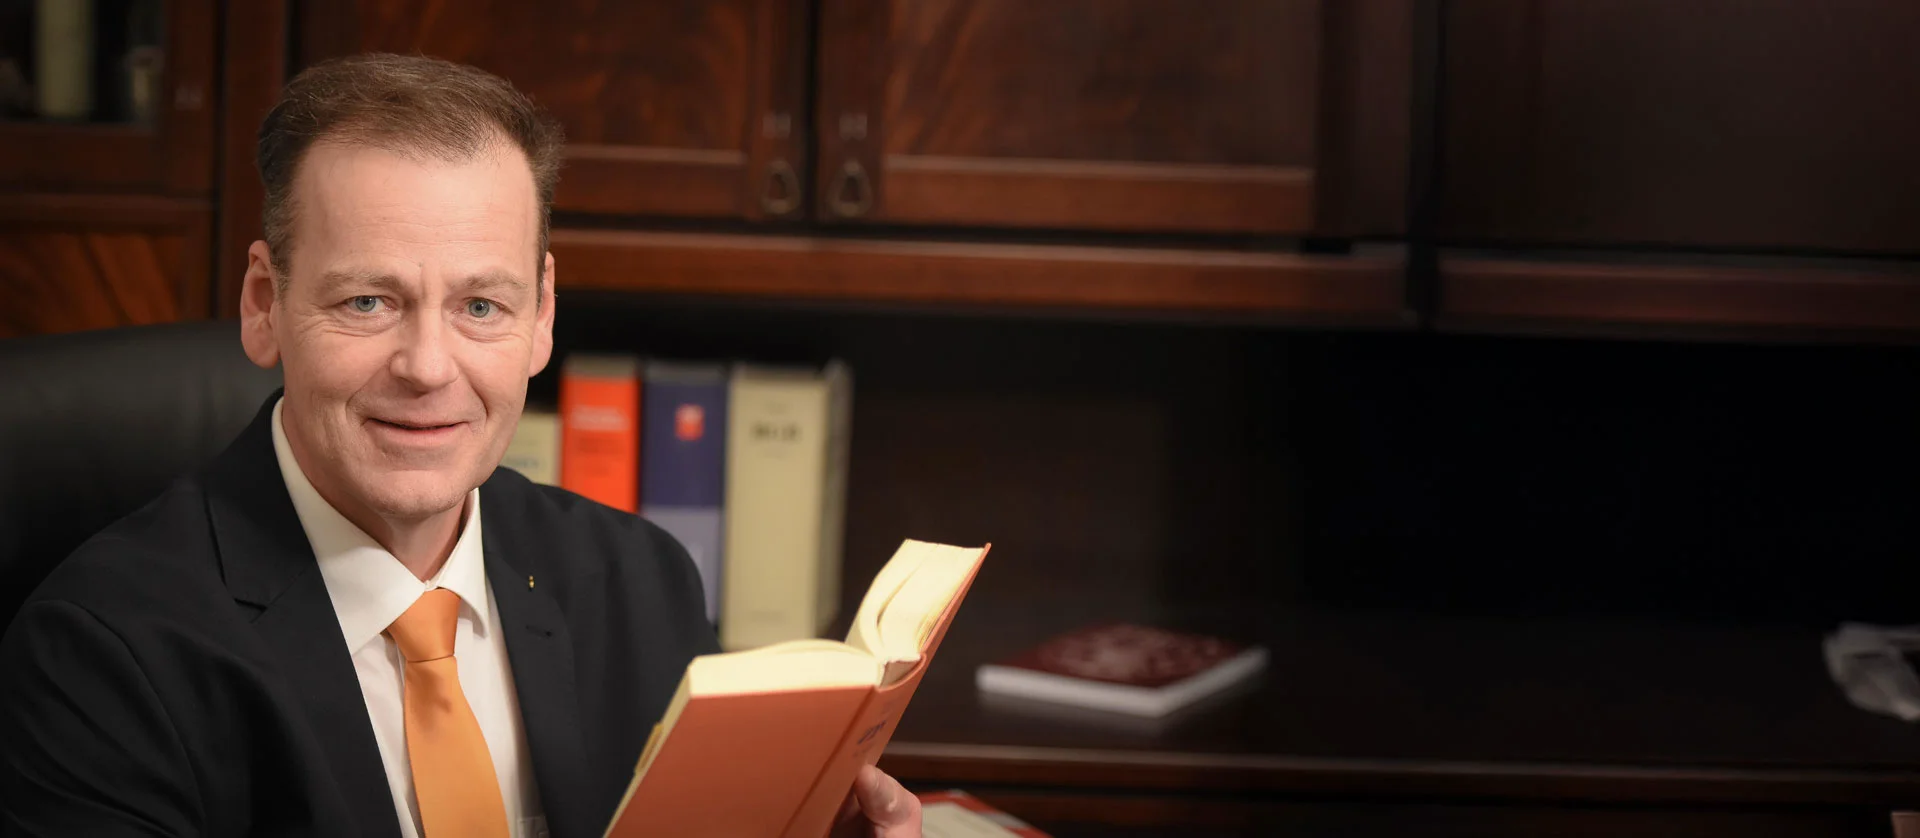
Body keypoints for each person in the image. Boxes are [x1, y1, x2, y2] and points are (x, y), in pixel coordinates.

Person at [0, 53, 922, 838]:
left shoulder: (638, 582)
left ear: (541, 314)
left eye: (481, 305)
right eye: (369, 301)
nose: (428, 367)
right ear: (263, 304)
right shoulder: (100, 657)